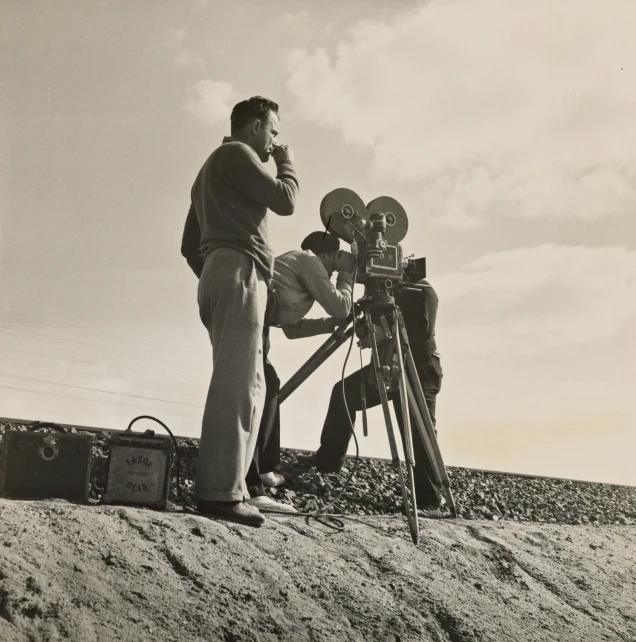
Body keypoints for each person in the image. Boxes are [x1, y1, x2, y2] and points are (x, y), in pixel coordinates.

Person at [180, 96, 298, 526]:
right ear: (253, 127)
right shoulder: (238, 153)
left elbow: (188, 245)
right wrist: (286, 163)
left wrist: (215, 272)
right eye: (273, 132)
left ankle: (232, 488)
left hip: (219, 270)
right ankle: (220, 494)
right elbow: (285, 199)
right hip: (239, 270)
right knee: (239, 385)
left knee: (249, 382)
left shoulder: (207, 172)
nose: (274, 142)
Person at [298, 277, 444, 510]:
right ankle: (329, 460)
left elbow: (422, 330)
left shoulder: (422, 289)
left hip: (419, 367)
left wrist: (382, 333)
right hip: (387, 366)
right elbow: (374, 329)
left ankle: (429, 499)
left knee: (419, 430)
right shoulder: (379, 292)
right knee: (344, 392)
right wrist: (367, 329)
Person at [243, 230, 355, 512]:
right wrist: (347, 273)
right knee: (261, 389)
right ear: (327, 255)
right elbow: (342, 307)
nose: (336, 264)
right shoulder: (310, 261)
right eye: (336, 258)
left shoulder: (300, 270)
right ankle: (252, 486)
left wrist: (329, 324)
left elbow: (292, 329)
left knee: (270, 383)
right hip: (248, 318)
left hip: (258, 320)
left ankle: (264, 468)